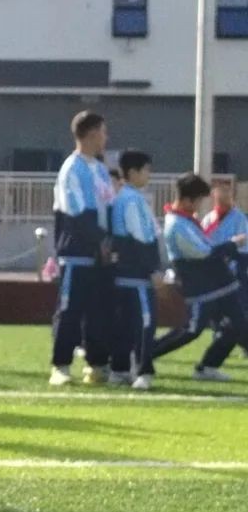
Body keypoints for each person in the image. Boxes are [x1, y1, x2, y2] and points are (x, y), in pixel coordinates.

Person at [152, 173, 248, 380]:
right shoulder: (176, 224)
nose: (199, 206)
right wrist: (233, 244)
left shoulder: (187, 220)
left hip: (222, 284)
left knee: (239, 324)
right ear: (187, 200)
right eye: (198, 201)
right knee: (192, 329)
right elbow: (203, 252)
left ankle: (208, 366)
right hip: (202, 287)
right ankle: (144, 355)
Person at [49, 110, 116, 386]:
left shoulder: (100, 169)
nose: (106, 137)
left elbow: (108, 206)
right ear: (90, 134)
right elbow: (77, 213)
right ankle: (60, 366)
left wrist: (110, 241)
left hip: (100, 253)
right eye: (103, 131)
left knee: (98, 311)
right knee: (70, 310)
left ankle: (97, 365)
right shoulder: (71, 169)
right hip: (77, 253)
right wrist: (98, 241)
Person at [108, 150, 161, 391]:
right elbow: (142, 237)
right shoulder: (133, 200)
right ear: (132, 173)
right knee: (144, 324)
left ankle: (118, 369)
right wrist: (154, 269)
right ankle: (143, 371)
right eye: (146, 170)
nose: (148, 174)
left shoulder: (121, 197)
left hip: (122, 274)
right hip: (138, 275)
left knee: (123, 325)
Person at [202, 179, 248, 315]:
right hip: (215, 260)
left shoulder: (239, 217)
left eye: (227, 194)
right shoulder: (209, 218)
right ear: (214, 196)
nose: (224, 197)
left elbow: (243, 242)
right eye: (220, 194)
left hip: (236, 260)